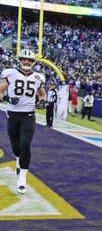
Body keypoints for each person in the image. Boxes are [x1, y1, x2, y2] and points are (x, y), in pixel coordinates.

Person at [0, 49, 47, 194]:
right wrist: (8, 98)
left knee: (25, 143)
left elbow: (43, 94)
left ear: (33, 62)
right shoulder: (11, 74)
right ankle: (18, 160)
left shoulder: (38, 77)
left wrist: (42, 102)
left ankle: (22, 178)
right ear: (20, 60)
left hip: (28, 114)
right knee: (15, 146)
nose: (26, 62)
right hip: (13, 114)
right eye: (24, 59)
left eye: (30, 60)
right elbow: (0, 91)